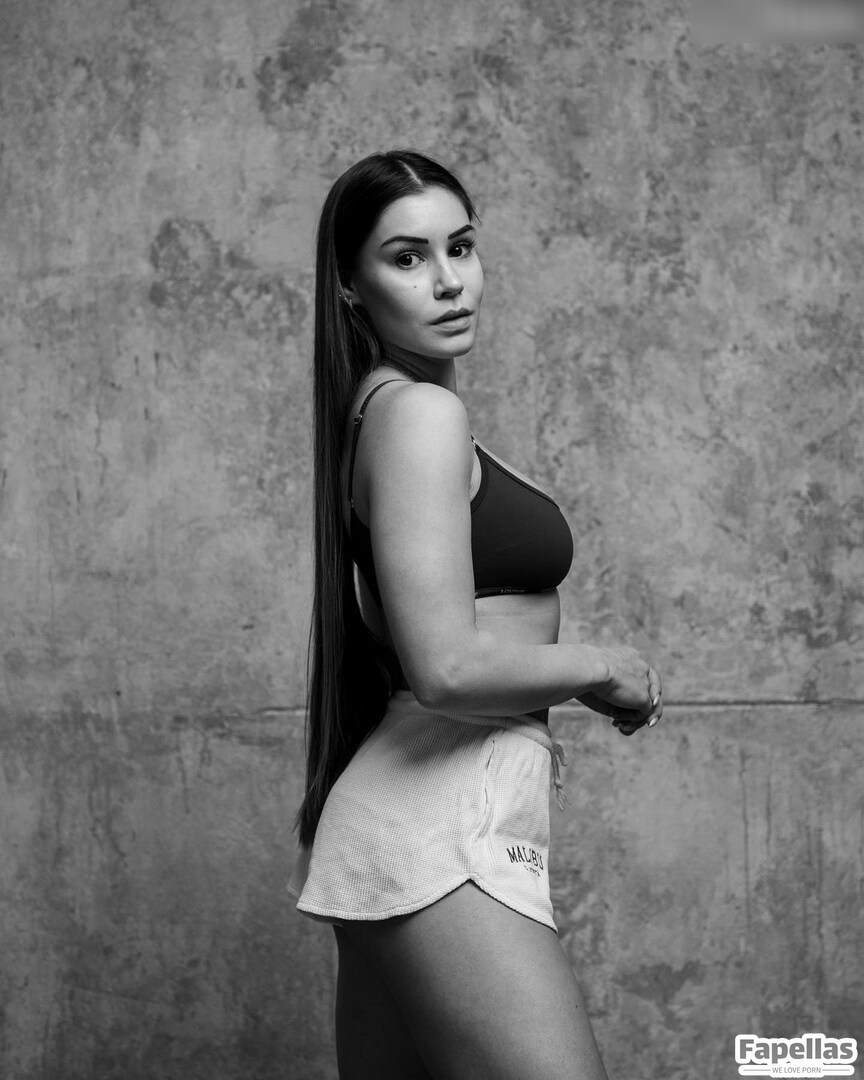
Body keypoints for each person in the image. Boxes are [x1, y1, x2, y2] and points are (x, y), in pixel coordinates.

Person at [289, 149, 663, 1080]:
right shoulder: (417, 414)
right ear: (350, 286)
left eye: (460, 247)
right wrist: (603, 665)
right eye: (407, 258)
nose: (449, 281)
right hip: (436, 818)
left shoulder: (384, 411)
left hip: (415, 815)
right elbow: (447, 670)